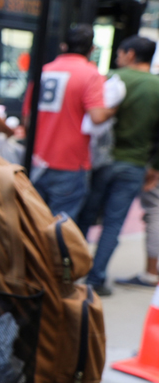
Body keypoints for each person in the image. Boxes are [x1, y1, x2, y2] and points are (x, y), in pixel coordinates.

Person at [76, 35, 159, 295]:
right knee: (113, 223)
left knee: (86, 217)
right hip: (135, 164)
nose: (118, 57)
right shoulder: (156, 87)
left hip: (102, 161)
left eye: (121, 52)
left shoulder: (112, 78)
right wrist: (154, 167)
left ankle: (69, 270)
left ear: (131, 54)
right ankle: (96, 278)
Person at [26, 25, 115, 217]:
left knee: (34, 222)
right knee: (60, 229)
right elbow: (98, 116)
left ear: (63, 46)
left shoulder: (44, 71)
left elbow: (27, 119)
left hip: (37, 159)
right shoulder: (91, 75)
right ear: (92, 49)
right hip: (71, 162)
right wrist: (113, 109)